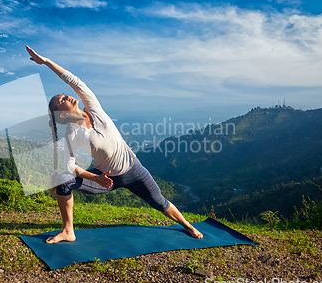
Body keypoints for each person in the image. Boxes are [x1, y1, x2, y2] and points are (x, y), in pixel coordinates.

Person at [26, 45, 203, 243]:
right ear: (64, 114)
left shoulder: (94, 109)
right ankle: (68, 231)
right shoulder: (72, 133)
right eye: (62, 100)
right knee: (63, 180)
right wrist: (97, 178)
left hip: (134, 170)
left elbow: (75, 82)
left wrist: (47, 62)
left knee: (159, 202)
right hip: (106, 178)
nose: (67, 96)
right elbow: (69, 166)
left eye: (64, 95)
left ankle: (187, 225)